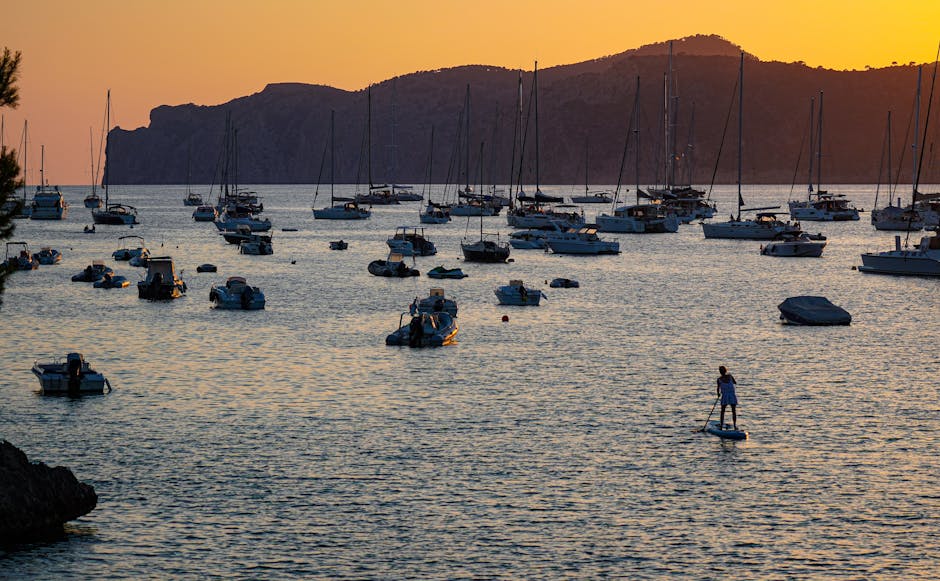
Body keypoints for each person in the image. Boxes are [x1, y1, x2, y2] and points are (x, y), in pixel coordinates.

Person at [716, 365, 738, 430]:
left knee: (722, 411)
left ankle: (721, 425)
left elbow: (718, 388)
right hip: (731, 395)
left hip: (726, 395)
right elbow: (735, 382)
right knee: (733, 411)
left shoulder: (719, 379)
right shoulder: (730, 376)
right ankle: (734, 425)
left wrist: (718, 394)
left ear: (720, 372)